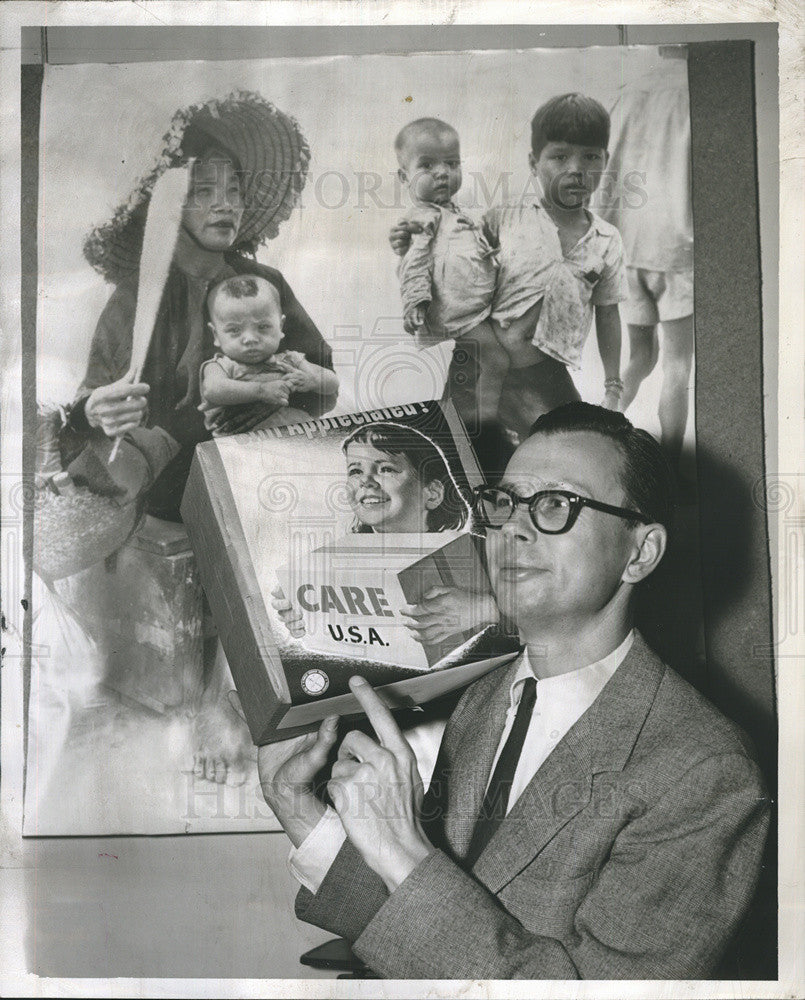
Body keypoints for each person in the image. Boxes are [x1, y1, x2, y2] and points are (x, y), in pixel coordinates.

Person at [258, 402, 769, 979]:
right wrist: (301, 813)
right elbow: (422, 926)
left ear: (640, 552)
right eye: (503, 503)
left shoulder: (705, 771)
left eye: (556, 504)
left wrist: (403, 848)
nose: (514, 528)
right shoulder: (484, 695)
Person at [69, 89, 337, 522]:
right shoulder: (136, 300)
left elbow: (321, 376)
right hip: (168, 496)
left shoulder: (265, 284)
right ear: (168, 206)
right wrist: (96, 409)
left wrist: (281, 392)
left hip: (263, 478)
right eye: (204, 190)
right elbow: (90, 402)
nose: (224, 203)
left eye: (234, 188)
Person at [391, 95, 627, 442]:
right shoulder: (505, 219)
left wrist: (613, 383)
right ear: (534, 162)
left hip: (545, 372)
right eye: (559, 156)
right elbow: (453, 246)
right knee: (461, 453)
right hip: (481, 361)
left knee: (576, 443)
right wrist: (406, 241)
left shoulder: (607, 240)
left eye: (590, 156)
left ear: (605, 161)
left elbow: (608, 314)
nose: (575, 168)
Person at [598, 50, 694, 476]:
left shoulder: (627, 93)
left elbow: (604, 172)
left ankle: (602, 431)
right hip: (676, 248)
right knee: (677, 363)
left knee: (639, 358)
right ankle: (672, 473)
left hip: (627, 244)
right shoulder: (695, 93)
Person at [394, 118, 506, 429]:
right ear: (404, 176)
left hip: (472, 305)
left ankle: (470, 418)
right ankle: (485, 425)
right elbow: (412, 264)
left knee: (475, 364)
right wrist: (415, 302)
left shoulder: (450, 211)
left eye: (452, 163)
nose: (443, 172)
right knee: (495, 360)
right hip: (457, 310)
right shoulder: (422, 219)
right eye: (428, 165)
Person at [199, 274, 339, 437]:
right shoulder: (220, 366)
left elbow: (332, 383)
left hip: (299, 439)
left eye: (263, 326)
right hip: (243, 447)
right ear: (215, 334)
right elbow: (212, 389)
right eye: (235, 330)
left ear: (280, 326)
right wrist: (261, 390)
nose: (250, 339)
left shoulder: (291, 359)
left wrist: (313, 380)